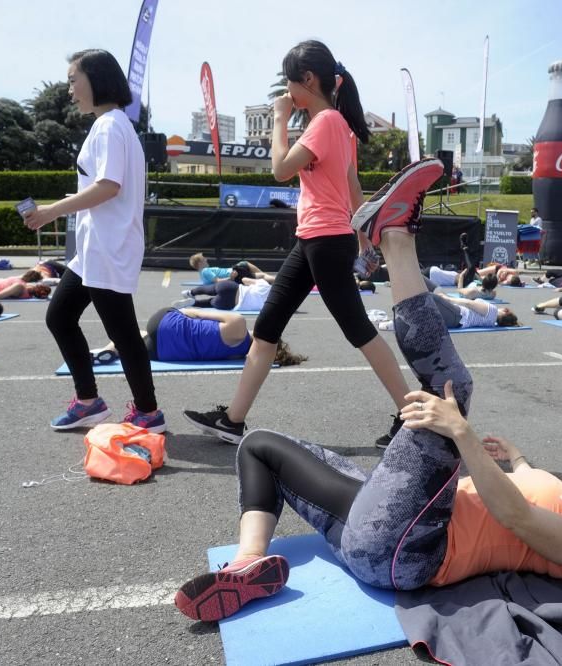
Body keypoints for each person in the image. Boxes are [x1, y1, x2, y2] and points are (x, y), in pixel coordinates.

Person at [172, 215, 562, 624]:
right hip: (380, 540)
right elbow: (522, 510)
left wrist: (462, 435)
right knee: (259, 446)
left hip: (411, 547)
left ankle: (396, 237)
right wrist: (521, 461)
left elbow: (519, 519)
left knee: (451, 392)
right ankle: (248, 564)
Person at [182, 40, 444, 448]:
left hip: (324, 241)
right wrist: (364, 240)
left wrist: (279, 119)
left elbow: (281, 170)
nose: (287, 94)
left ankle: (412, 417)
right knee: (267, 328)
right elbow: (353, 188)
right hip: (316, 240)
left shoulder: (324, 123)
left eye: (290, 85)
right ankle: (233, 420)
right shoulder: (337, 126)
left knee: (360, 331)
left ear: (308, 80)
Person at [22, 49, 164, 432]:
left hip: (107, 247)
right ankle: (89, 401)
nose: (69, 89)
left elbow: (108, 186)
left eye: (73, 79)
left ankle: (148, 413)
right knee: (60, 316)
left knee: (121, 333)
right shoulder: (113, 125)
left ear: (96, 79)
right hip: (95, 249)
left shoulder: (109, 126)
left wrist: (52, 210)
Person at [91, 307, 306, 367]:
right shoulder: (238, 357)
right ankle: (111, 349)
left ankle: (108, 350)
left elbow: (195, 312)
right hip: (165, 353)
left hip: (167, 325)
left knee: (144, 331)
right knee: (135, 339)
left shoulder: (239, 325)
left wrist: (176, 311)